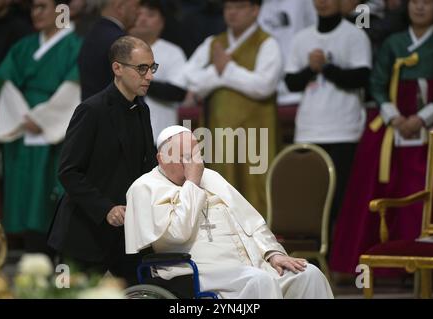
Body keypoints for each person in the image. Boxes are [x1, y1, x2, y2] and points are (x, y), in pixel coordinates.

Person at [125, 125, 334, 299]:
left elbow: (251, 222)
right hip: (198, 271)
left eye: (195, 156)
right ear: (161, 158)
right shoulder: (144, 187)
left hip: (249, 265)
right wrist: (192, 184)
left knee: (308, 275)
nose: (194, 165)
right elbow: (177, 234)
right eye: (185, 158)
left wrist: (273, 253)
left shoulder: (211, 176)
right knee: (259, 282)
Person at [330, 0, 433, 275]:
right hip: (393, 129)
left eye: (427, 2)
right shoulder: (393, 42)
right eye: (415, 1)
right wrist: (394, 117)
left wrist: (422, 118)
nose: (420, 7)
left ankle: (427, 268)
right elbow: (377, 83)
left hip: (431, 129)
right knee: (380, 189)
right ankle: (385, 267)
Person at [48, 36, 157, 285]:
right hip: (84, 232)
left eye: (152, 68)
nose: (149, 76)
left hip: (127, 234)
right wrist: (105, 209)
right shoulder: (91, 110)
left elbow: (146, 167)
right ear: (117, 68)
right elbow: (68, 172)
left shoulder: (142, 110)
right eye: (142, 68)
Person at [175, 0, 282, 217]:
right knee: (218, 190)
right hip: (218, 133)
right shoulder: (214, 43)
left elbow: (264, 85)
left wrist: (227, 70)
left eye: (239, 7)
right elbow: (188, 80)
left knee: (255, 189)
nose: (232, 13)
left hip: (255, 135)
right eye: (228, 7)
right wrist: (219, 73)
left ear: (255, 10)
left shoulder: (267, 43)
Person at [0, 0, 81, 254]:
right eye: (33, 8)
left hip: (57, 127)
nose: (36, 13)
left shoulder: (76, 45)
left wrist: (43, 119)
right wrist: (24, 116)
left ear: (61, 10)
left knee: (52, 190)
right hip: (23, 125)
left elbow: (74, 87)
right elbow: (6, 81)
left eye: (43, 6)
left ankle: (58, 259)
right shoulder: (24, 46)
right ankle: (30, 254)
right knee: (23, 189)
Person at [285, 0, 372, 235]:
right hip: (309, 129)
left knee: (341, 201)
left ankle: (338, 259)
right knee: (310, 199)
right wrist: (311, 69)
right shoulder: (302, 38)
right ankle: (313, 257)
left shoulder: (354, 35)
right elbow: (291, 83)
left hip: (344, 129)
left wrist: (325, 67)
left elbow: (361, 77)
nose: (322, 2)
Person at [129, 0, 187, 143]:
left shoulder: (173, 52)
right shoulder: (117, 50)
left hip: (160, 136)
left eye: (150, 15)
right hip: (122, 137)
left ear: (162, 22)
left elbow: (177, 92)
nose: (142, 18)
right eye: (138, 14)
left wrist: (138, 79)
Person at [258, 0, 317, 105]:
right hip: (264, 92)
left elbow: (316, 33)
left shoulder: (304, 3)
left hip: (298, 90)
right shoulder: (255, 4)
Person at [78, 0, 139, 100]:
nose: (138, 12)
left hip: (90, 110)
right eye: (136, 6)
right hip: (115, 113)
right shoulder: (121, 41)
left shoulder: (91, 32)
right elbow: (129, 88)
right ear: (120, 7)